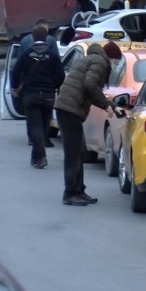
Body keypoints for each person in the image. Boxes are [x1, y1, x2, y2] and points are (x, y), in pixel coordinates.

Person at [54, 42, 125, 206]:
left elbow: (90, 90)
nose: (115, 64)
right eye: (116, 60)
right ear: (111, 57)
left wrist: (112, 107)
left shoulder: (94, 58)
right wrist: (108, 105)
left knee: (78, 151)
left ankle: (79, 190)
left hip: (68, 108)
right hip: (69, 109)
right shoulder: (100, 61)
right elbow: (90, 84)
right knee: (73, 154)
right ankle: (70, 193)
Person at [10, 26, 64, 169]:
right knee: (44, 126)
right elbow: (61, 75)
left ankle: (40, 157)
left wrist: (15, 87)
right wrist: (55, 86)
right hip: (48, 95)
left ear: (33, 38)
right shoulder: (53, 55)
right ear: (47, 38)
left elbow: (15, 72)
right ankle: (36, 156)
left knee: (35, 126)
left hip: (31, 94)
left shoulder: (26, 54)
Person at [18, 18, 60, 147]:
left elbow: (18, 67)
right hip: (48, 88)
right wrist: (56, 85)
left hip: (29, 86)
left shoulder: (25, 42)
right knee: (45, 116)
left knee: (31, 115)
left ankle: (32, 138)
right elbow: (57, 65)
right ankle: (45, 138)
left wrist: (17, 85)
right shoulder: (51, 41)